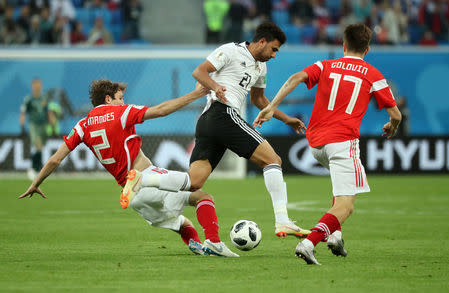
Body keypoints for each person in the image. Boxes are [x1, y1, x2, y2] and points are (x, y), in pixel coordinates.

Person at [126, 22, 311, 239]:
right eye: (274, 49)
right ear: (262, 41)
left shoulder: (261, 67)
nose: (274, 55)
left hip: (211, 122)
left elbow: (258, 99)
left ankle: (143, 180)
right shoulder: (231, 50)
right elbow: (200, 71)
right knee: (273, 160)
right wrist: (216, 87)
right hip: (222, 114)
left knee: (194, 181)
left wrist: (287, 119)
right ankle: (283, 221)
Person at [18, 80, 239, 258]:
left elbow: (55, 159)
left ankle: (197, 245)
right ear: (108, 99)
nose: (124, 102)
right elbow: (161, 110)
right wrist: (196, 94)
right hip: (146, 177)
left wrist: (35, 183)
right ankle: (215, 243)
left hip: (134, 199)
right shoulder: (121, 113)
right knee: (201, 194)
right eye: (120, 98)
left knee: (182, 223)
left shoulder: (83, 125)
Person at [253, 24, 402, 265]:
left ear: (343, 46)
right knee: (346, 206)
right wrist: (392, 126)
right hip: (343, 141)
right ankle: (308, 243)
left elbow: (295, 78)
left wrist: (271, 107)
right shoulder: (373, 74)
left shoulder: (325, 65)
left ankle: (335, 236)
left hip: (316, 143)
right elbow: (396, 115)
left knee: (339, 190)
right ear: (367, 49)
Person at [20, 78, 50, 180]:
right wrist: (22, 126)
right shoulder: (28, 99)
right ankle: (33, 168)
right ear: (32, 86)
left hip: (43, 125)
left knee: (40, 147)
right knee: (37, 144)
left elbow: (48, 111)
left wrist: (51, 123)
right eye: (35, 85)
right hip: (34, 125)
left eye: (39, 85)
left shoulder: (44, 98)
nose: (37, 87)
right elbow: (23, 113)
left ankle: (37, 169)